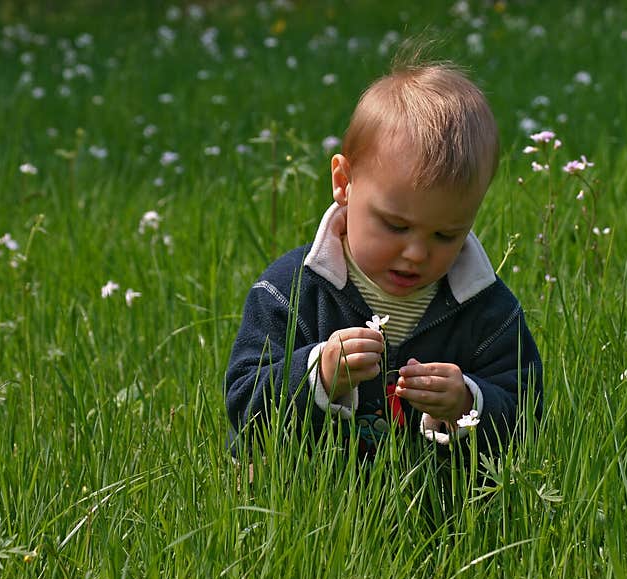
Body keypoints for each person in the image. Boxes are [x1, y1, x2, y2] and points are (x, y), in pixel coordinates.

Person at [225, 59, 543, 467]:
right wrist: (317, 377)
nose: (416, 253)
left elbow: (528, 416)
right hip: (307, 505)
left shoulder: (487, 310)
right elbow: (243, 405)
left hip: (438, 517)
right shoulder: (292, 291)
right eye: (395, 226)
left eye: (445, 235)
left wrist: (467, 402)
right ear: (343, 182)